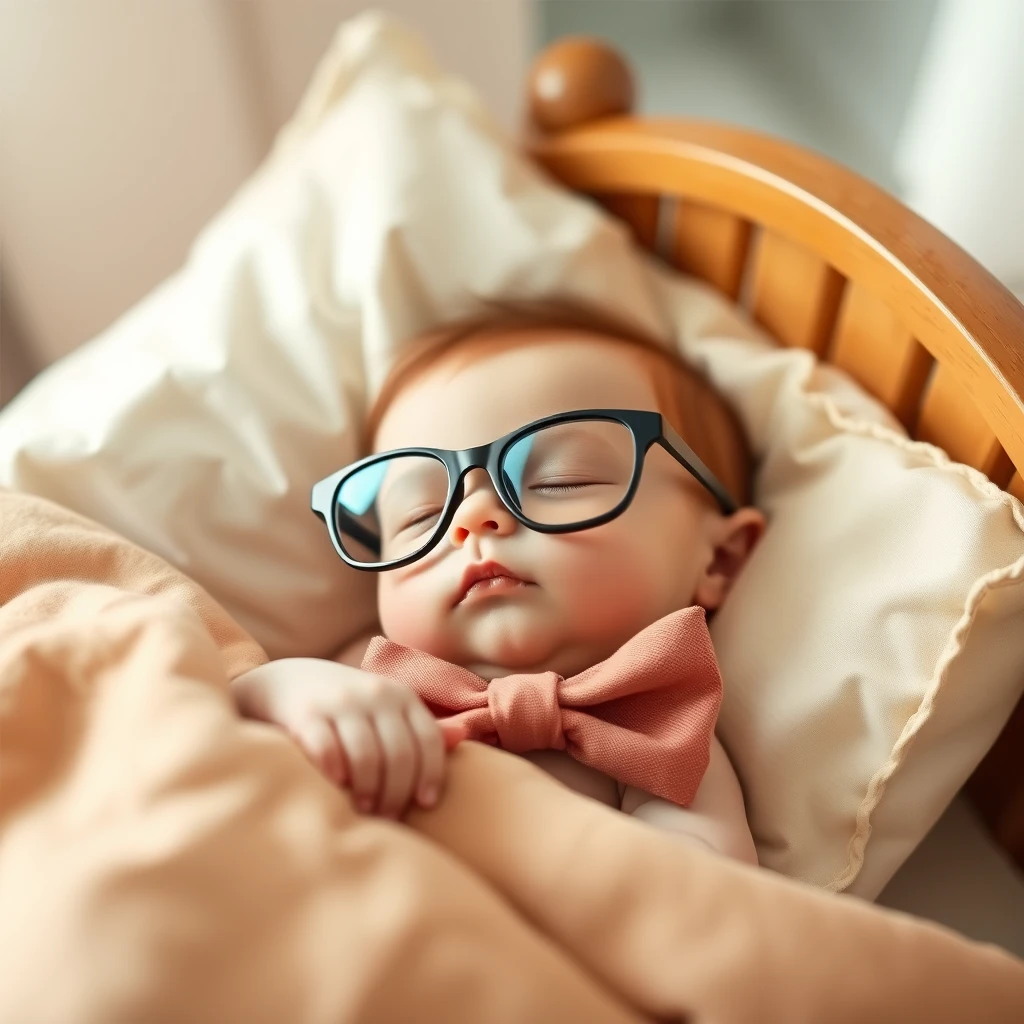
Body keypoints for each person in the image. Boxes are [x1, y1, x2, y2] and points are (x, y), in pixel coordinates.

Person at [232, 303, 765, 863]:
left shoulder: (664, 736)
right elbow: (221, 718)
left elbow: (710, 905)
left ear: (719, 560)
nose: (473, 516)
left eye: (562, 480)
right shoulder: (359, 673)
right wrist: (283, 687)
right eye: (421, 514)